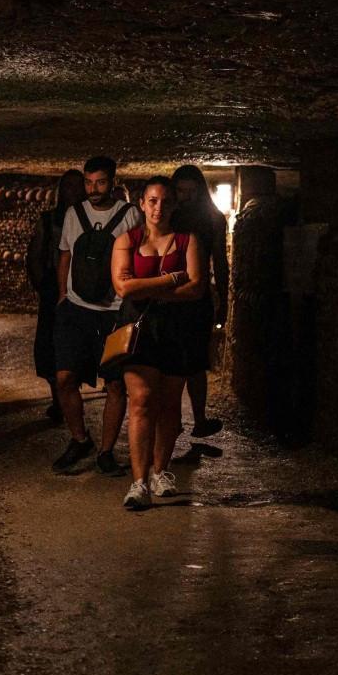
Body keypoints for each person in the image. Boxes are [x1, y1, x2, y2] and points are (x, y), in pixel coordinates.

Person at [111, 176, 207, 508]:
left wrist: (143, 285)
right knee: (141, 400)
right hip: (139, 331)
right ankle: (139, 483)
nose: (158, 207)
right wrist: (168, 281)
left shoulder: (187, 240)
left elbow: (197, 288)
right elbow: (123, 290)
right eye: (152, 200)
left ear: (174, 205)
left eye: (165, 201)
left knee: (169, 406)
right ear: (142, 203)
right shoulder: (126, 240)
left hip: (177, 331)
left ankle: (160, 471)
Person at [51, 155, 141, 475]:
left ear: (112, 182)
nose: (93, 189)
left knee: (114, 385)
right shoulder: (74, 214)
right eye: (89, 182)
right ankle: (80, 439)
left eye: (100, 182)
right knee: (64, 378)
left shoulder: (131, 216)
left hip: (114, 312)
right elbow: (65, 253)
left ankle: (105, 452)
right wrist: (63, 294)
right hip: (76, 309)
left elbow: (141, 258)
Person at [170, 164, 229, 438]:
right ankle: (174, 420)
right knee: (171, 362)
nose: (186, 197)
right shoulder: (167, 217)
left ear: (200, 191)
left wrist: (223, 300)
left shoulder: (214, 219)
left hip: (197, 299)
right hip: (169, 296)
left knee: (195, 362)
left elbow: (220, 261)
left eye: (191, 191)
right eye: (181, 191)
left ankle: (199, 419)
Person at [25, 169, 85, 421]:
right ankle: (58, 399)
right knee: (50, 345)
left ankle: (69, 396)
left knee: (77, 346)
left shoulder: (90, 220)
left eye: (76, 187)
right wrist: (43, 285)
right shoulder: (49, 221)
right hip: (53, 291)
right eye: (68, 187)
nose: (72, 191)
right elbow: (35, 255)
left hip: (82, 290)